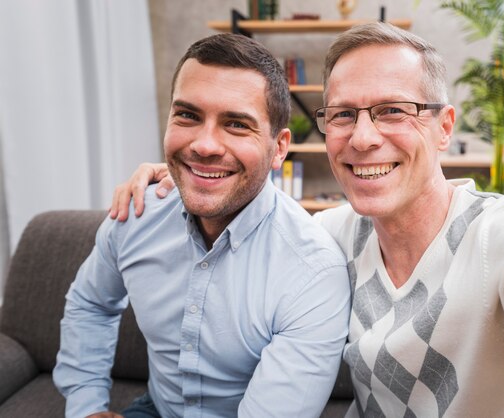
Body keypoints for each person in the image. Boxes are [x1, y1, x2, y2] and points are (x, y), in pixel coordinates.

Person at [111, 23, 504, 417]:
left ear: (443, 126)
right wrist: (193, 175)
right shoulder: (328, 238)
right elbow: (237, 245)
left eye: (392, 111)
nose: (361, 138)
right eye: (342, 114)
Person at [53, 33, 351, 418]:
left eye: (236, 124)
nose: (205, 145)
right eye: (188, 116)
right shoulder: (137, 215)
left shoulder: (314, 272)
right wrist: (86, 406)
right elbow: (90, 303)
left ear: (279, 147)